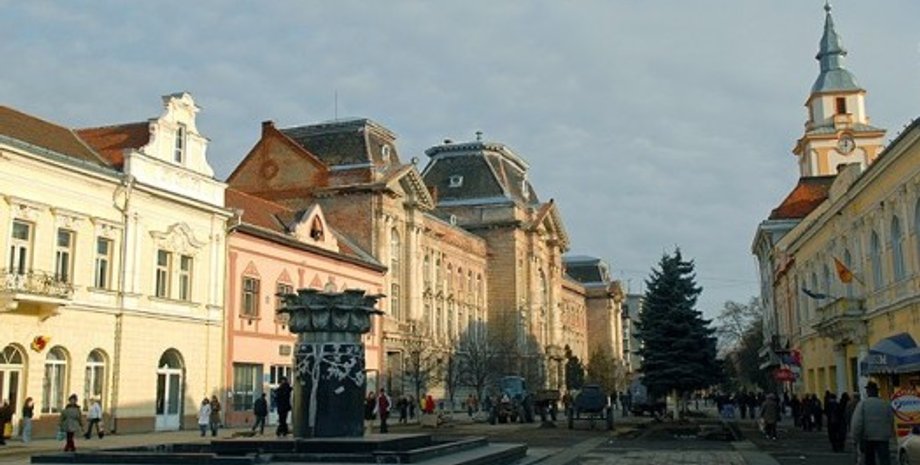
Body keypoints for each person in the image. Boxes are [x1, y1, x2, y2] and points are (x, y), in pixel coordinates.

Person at [851, 382, 894, 465]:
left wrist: (855, 437)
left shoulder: (863, 404)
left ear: (868, 391)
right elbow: (891, 419)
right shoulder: (885, 404)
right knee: (884, 460)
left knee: (869, 460)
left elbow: (857, 423)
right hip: (883, 437)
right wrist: (889, 432)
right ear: (877, 392)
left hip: (868, 437)